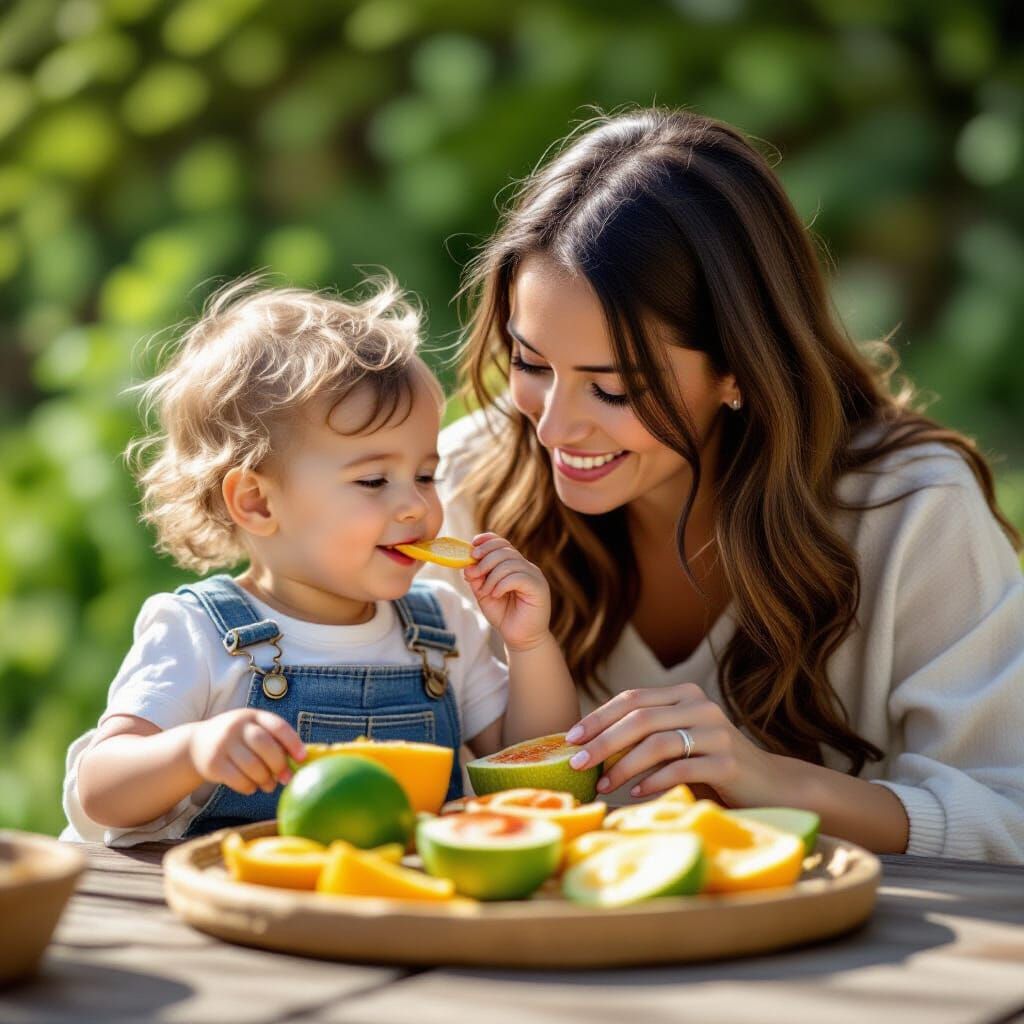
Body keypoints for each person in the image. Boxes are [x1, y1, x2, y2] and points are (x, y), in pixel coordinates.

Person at [423, 107, 1024, 863]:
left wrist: (771, 782)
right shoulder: (468, 481)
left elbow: (1008, 816)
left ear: (737, 369)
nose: (552, 430)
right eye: (533, 365)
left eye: (614, 390)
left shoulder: (910, 513)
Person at [61, 275, 579, 847]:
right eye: (374, 480)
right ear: (257, 501)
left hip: (394, 916)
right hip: (224, 917)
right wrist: (194, 750)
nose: (415, 505)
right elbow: (101, 790)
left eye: (426, 475)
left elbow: (534, 768)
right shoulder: (200, 632)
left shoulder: (443, 627)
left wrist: (530, 644)